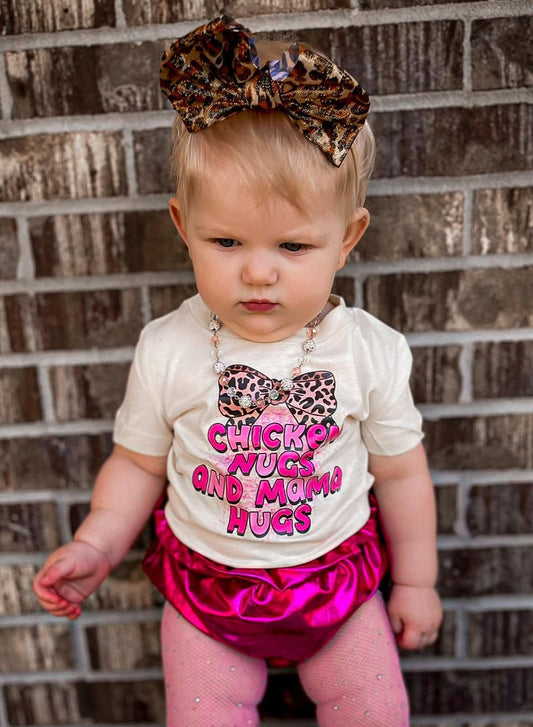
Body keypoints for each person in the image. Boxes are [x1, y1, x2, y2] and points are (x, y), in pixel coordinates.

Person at [33, 15, 442, 726]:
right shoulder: (169, 347)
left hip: (335, 580)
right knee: (203, 714)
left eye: (292, 245)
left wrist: (416, 581)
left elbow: (402, 473)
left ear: (346, 238)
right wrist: (97, 543)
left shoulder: (366, 350)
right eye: (225, 241)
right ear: (183, 226)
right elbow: (137, 463)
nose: (257, 272)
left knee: (373, 709)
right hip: (208, 588)